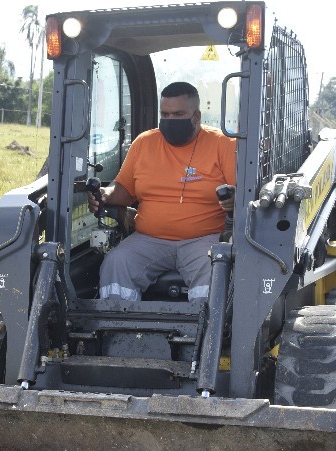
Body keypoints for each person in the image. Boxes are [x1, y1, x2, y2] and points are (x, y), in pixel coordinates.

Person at [88, 82, 236, 301]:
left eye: (178, 114)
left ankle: (207, 332)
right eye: (165, 114)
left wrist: (234, 200)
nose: (170, 121)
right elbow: (124, 190)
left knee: (214, 269)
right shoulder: (144, 143)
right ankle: (118, 330)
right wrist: (105, 194)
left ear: (196, 116)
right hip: (149, 239)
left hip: (204, 240)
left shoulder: (223, 144)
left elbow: (241, 196)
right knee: (117, 262)